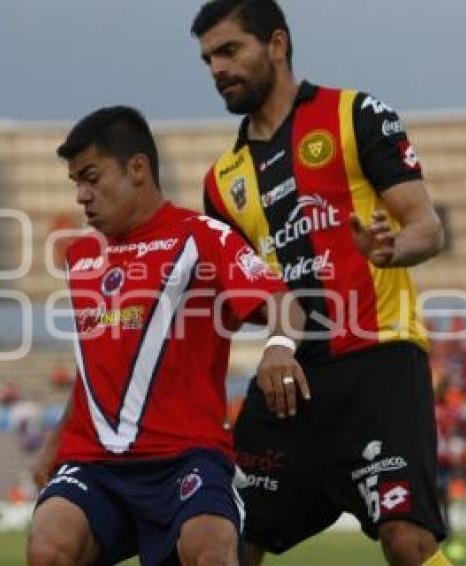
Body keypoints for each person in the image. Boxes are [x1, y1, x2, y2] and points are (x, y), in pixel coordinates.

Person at [190, 1, 449, 565]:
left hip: (378, 360)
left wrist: (391, 249)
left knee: (407, 540)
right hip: (289, 378)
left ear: (277, 44)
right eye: (209, 58)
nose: (217, 69)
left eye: (230, 51)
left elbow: (427, 227)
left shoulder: (355, 114)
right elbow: (236, 298)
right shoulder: (221, 182)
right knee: (225, 540)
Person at [27, 105, 310, 566]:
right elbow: (97, 368)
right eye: (76, 182)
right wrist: (56, 438)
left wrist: (278, 348)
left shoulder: (201, 236)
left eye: (92, 177)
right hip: (95, 461)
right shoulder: (81, 257)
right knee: (49, 546)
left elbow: (284, 301)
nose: (81, 195)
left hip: (186, 458)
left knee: (211, 550)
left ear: (138, 168)